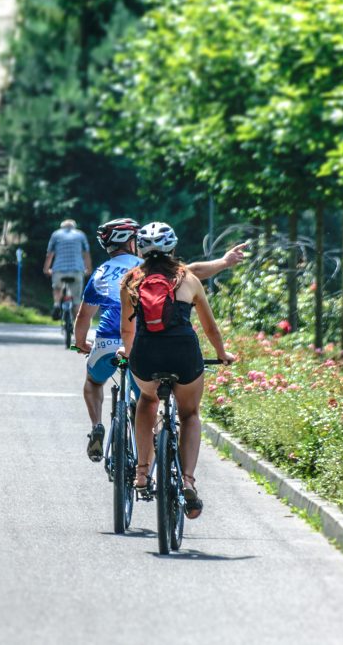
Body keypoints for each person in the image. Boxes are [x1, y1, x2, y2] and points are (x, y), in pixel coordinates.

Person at [74, 218, 246, 463]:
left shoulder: (102, 272)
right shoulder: (147, 268)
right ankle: (157, 455)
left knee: (93, 381)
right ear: (132, 243)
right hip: (149, 345)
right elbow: (193, 271)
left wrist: (81, 343)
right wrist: (224, 262)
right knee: (149, 401)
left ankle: (97, 425)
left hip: (109, 344)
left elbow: (84, 316)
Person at [118, 222, 236, 520]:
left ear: (140, 250)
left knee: (147, 401)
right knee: (190, 415)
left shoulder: (130, 280)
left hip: (146, 354)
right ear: (172, 248)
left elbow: (127, 329)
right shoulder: (189, 279)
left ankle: (142, 474)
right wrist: (222, 354)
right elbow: (209, 327)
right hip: (184, 354)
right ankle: (187, 480)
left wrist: (128, 353)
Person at [43, 219, 92, 320]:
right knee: (77, 300)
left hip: (58, 270)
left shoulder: (56, 234)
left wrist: (46, 269)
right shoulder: (80, 235)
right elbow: (86, 253)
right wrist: (89, 269)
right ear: (74, 227)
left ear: (62, 227)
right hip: (77, 270)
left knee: (57, 288)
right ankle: (76, 326)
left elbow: (50, 254)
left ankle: (56, 304)